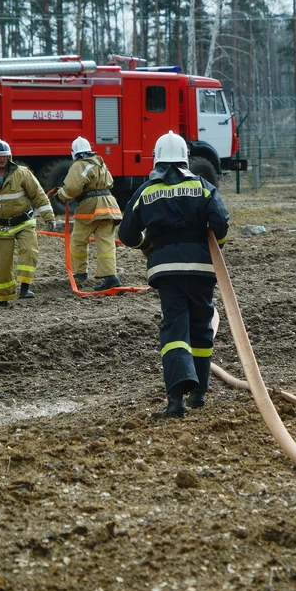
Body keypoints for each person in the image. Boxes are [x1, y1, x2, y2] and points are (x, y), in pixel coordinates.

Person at [118, 131, 229, 417]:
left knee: (175, 328)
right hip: (202, 270)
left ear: (156, 159)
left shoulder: (146, 190)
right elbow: (221, 224)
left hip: (166, 271)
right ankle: (200, 393)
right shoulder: (203, 186)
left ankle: (176, 399)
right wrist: (212, 249)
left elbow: (127, 233)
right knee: (202, 326)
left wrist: (148, 244)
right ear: (185, 159)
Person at [0, 139, 56, 307]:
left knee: (29, 251)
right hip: (1, 227)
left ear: (10, 157)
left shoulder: (22, 173)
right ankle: (3, 299)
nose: (1, 159)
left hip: (24, 222)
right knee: (0, 264)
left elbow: (39, 195)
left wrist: (49, 216)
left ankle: (25, 288)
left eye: (5, 156)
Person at [56, 136, 123, 291]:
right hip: (109, 206)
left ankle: (79, 273)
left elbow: (72, 188)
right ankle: (111, 277)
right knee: (106, 242)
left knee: (79, 240)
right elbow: (111, 182)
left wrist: (60, 195)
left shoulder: (79, 165)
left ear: (74, 152)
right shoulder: (100, 162)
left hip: (90, 208)